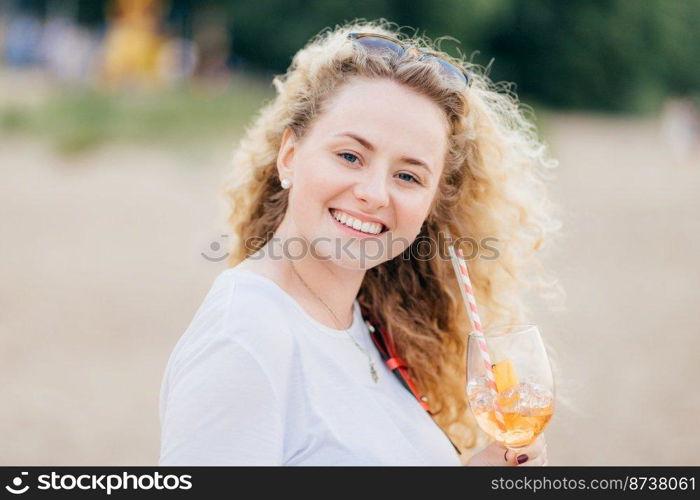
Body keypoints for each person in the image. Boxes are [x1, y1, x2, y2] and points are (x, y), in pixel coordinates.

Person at [159, 20, 559, 466]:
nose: (374, 193)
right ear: (290, 156)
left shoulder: (365, 323)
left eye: (408, 175)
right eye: (350, 155)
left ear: (432, 203)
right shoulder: (243, 339)